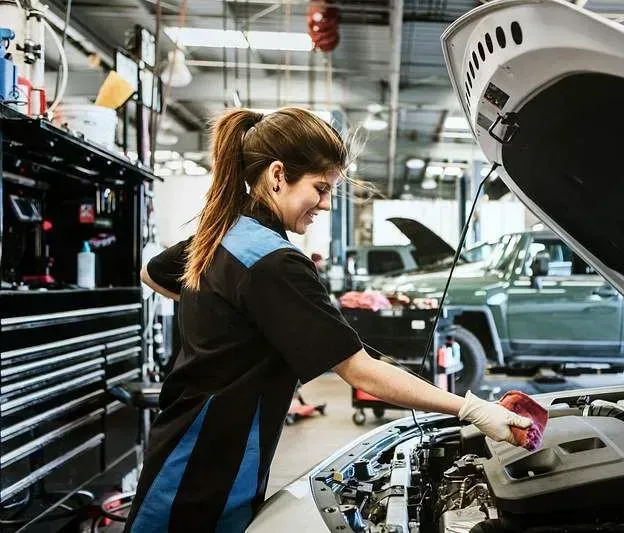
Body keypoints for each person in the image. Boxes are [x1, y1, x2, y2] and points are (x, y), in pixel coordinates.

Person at [130, 107, 532, 532]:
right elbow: (362, 373)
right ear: (278, 175)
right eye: (320, 188)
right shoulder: (275, 261)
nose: (325, 203)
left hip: (180, 436)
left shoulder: (225, 231)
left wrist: (233, 311)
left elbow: (152, 274)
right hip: (209, 461)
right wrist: (471, 408)